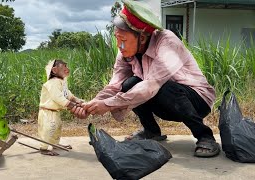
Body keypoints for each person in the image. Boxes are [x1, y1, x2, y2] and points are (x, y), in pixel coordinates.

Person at [73, 0, 220, 158]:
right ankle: (151, 131)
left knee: (162, 87)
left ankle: (205, 136)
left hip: (197, 101)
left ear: (142, 38)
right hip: (164, 100)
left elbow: (151, 86)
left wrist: (107, 104)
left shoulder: (167, 42)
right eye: (117, 38)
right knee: (130, 84)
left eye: (123, 40)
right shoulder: (125, 52)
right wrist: (92, 105)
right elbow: (114, 85)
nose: (119, 46)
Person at [38, 59, 85, 156]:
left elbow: (67, 94)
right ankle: (44, 147)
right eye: (64, 67)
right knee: (49, 129)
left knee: (57, 128)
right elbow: (58, 97)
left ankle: (55, 143)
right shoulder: (52, 83)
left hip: (55, 111)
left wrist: (77, 100)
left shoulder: (62, 82)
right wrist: (71, 105)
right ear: (54, 70)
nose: (67, 69)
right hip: (47, 112)